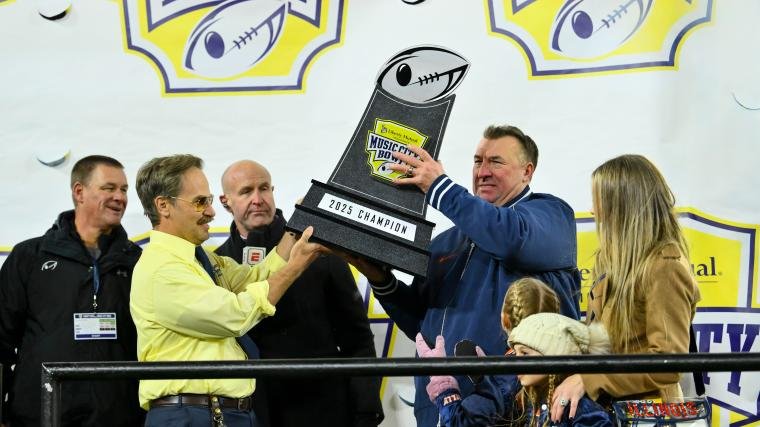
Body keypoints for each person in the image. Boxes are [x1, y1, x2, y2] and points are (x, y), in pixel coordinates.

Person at [349, 124, 581, 426]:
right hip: (442, 410)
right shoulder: (445, 242)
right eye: (477, 161)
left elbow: (509, 239)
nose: (482, 172)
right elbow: (422, 326)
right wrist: (381, 280)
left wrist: (440, 188)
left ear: (527, 172)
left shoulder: (551, 217)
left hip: (515, 410)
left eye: (495, 162)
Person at [130, 154, 325, 427]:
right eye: (200, 202)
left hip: (222, 412)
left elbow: (256, 278)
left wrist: (296, 228)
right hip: (193, 415)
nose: (211, 212)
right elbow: (235, 315)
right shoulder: (162, 269)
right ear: (163, 205)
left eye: (209, 200)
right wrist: (296, 266)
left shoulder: (201, 259)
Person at [215, 160, 383, 427]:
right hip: (248, 413)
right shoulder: (218, 265)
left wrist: (366, 410)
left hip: (321, 409)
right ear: (225, 201)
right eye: (246, 191)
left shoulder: (318, 250)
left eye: (264, 188)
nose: (258, 199)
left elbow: (357, 339)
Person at [551, 154, 701, 422]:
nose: (593, 211)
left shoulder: (665, 267)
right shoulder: (609, 263)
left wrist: (589, 379)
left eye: (599, 200)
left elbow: (668, 365)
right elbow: (602, 344)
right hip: (607, 411)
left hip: (648, 416)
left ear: (622, 205)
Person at [0, 155, 143, 426]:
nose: (120, 197)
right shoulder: (30, 256)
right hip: (41, 415)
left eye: (124, 190)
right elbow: (2, 340)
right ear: (79, 192)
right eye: (109, 188)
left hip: (119, 417)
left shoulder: (137, 261)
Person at [418, 277, 562, 426]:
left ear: (504, 320)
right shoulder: (572, 362)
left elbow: (460, 424)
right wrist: (488, 380)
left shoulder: (509, 375)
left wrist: (442, 384)